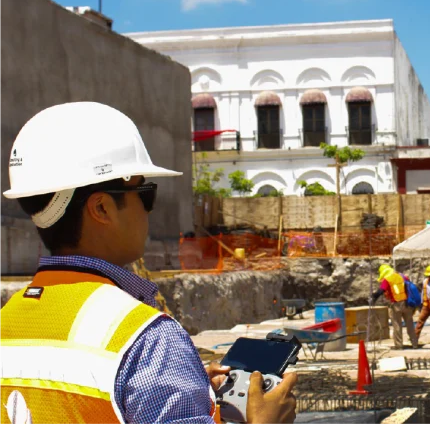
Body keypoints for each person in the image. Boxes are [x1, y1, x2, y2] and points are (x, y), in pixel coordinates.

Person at [0, 102, 297, 423]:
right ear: (101, 209)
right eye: (145, 193)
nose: (148, 210)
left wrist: (192, 391)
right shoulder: (147, 341)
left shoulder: (8, 321)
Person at [370, 264, 418, 349]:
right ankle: (415, 344)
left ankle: (399, 345)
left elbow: (381, 290)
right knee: (410, 324)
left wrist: (373, 297)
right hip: (407, 303)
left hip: (396, 305)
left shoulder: (387, 280)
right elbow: (409, 286)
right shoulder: (401, 276)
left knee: (397, 325)